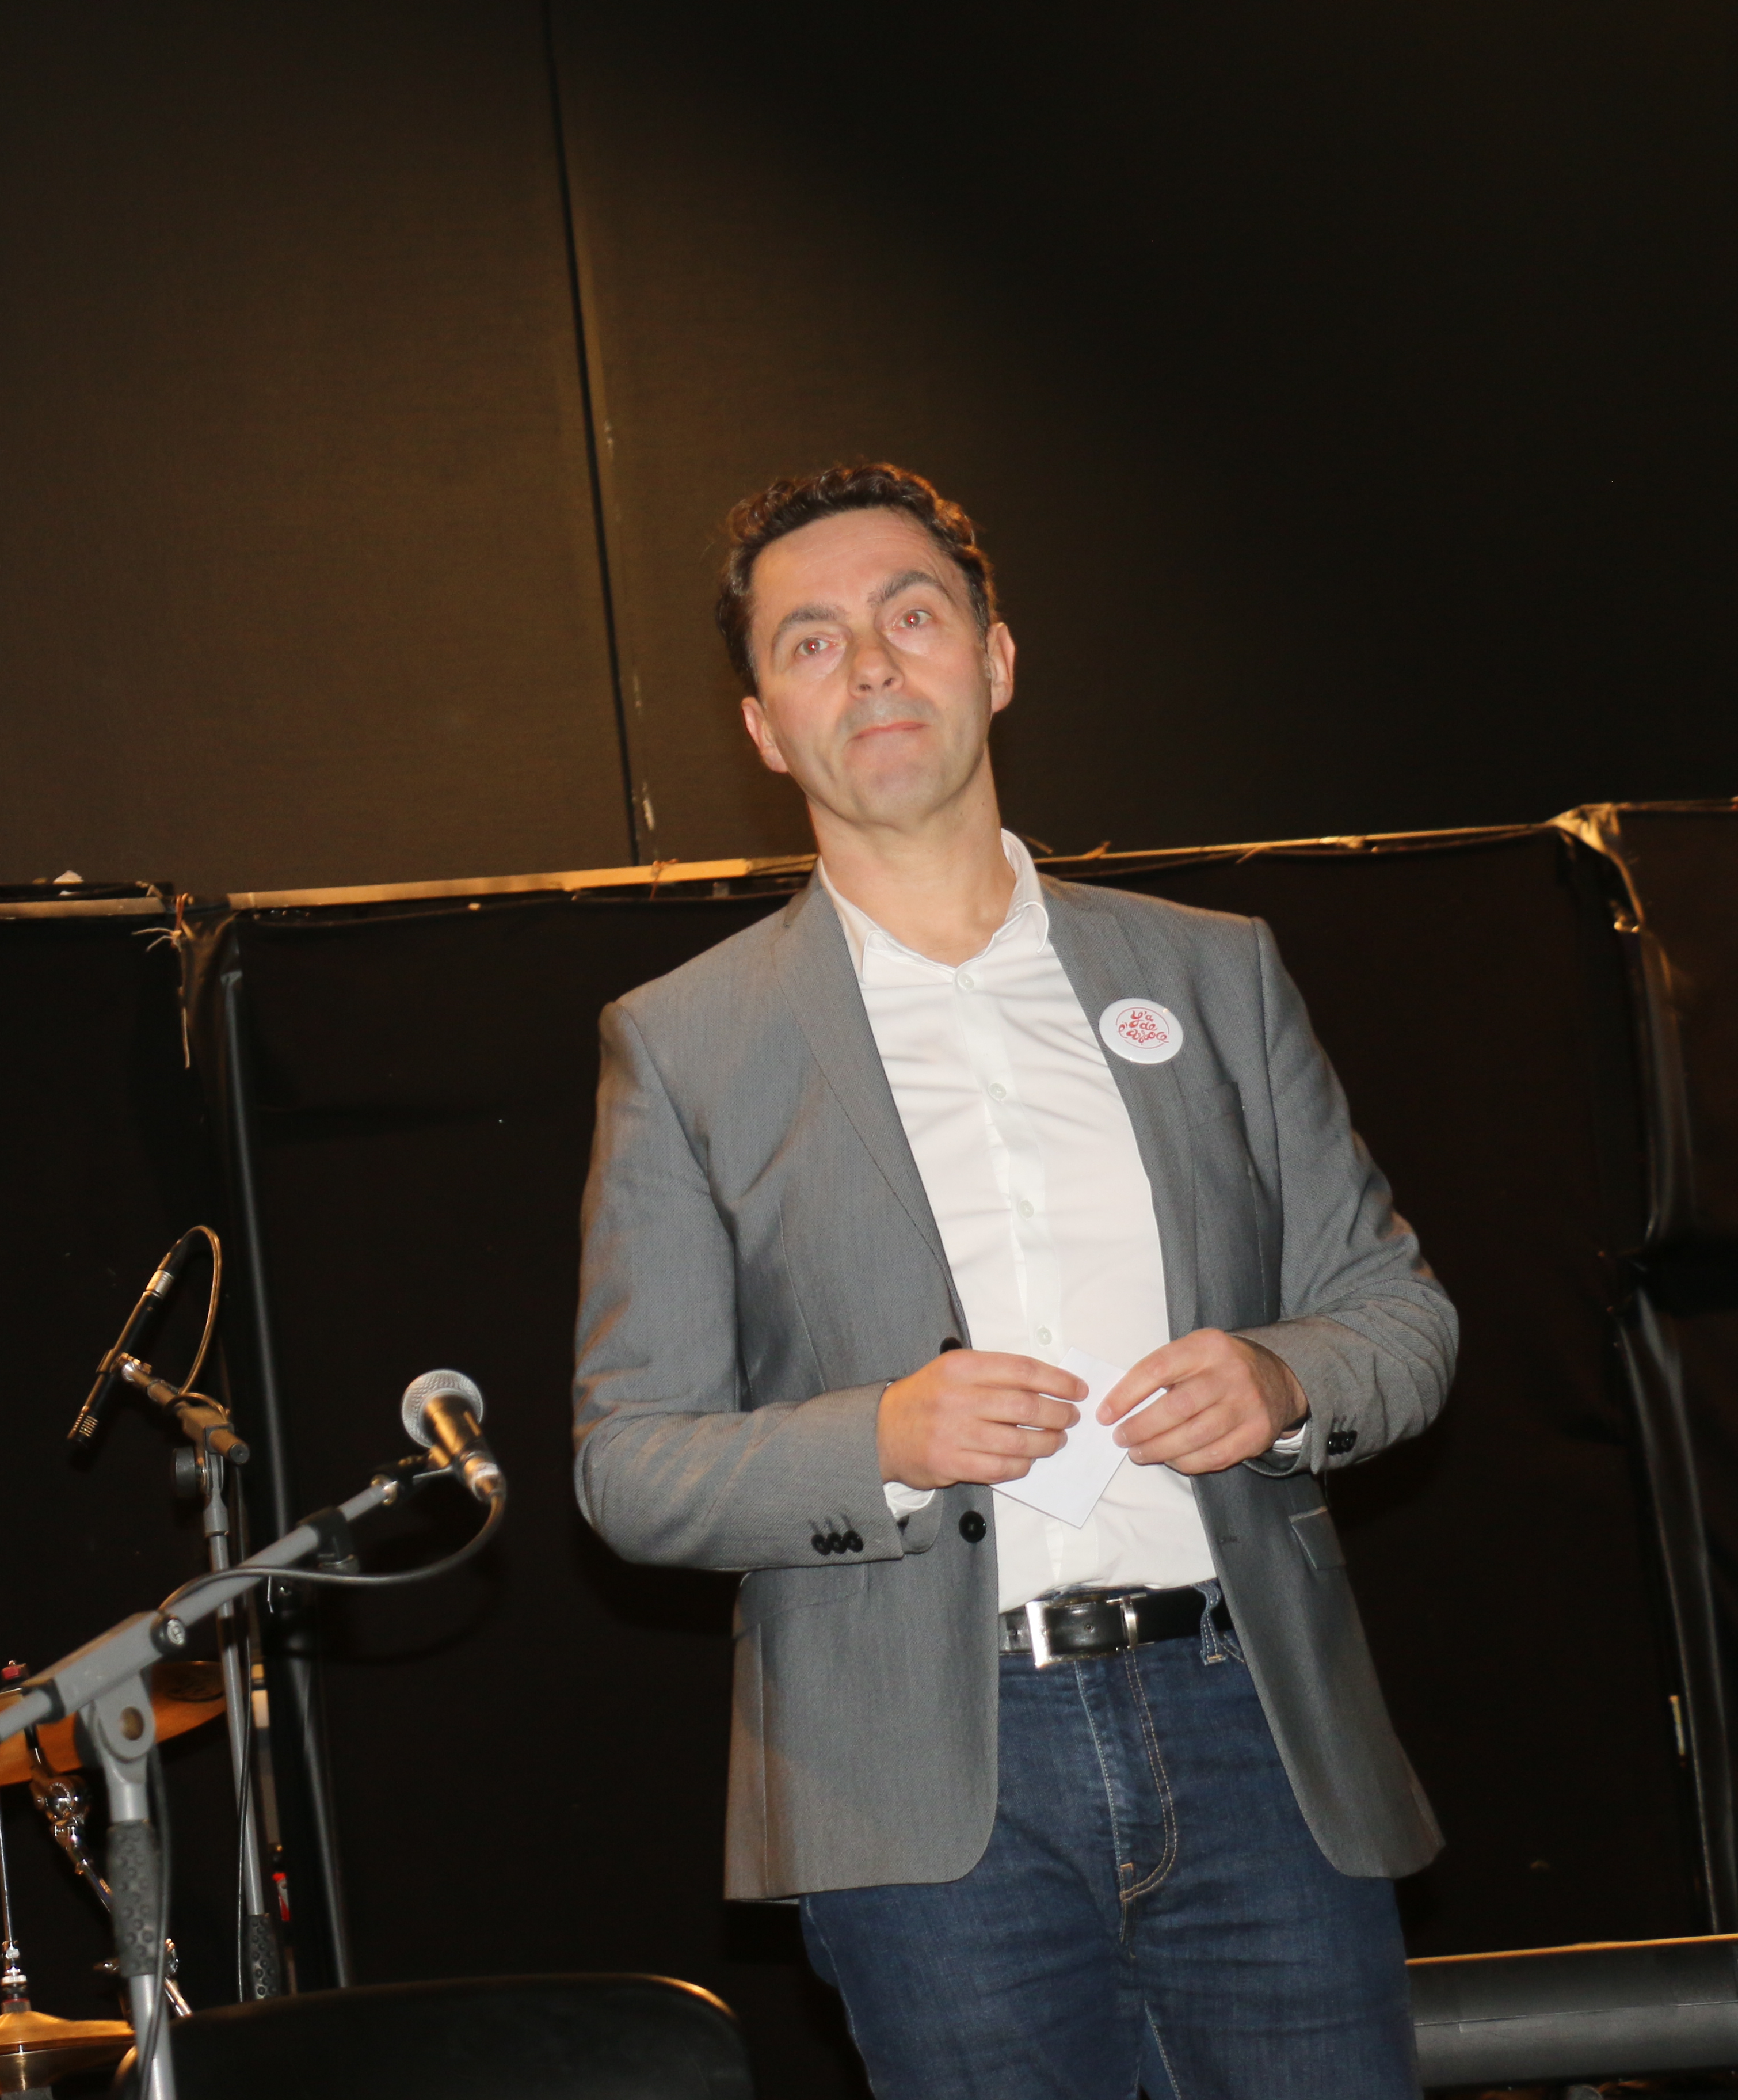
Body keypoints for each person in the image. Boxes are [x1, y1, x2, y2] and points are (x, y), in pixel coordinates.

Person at [571, 463, 1452, 2096]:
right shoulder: (686, 1043)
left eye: (911, 617)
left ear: (995, 660)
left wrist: (1283, 1382)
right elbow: (630, 1465)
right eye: (813, 642)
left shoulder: (1212, 972)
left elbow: (1399, 1317)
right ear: (763, 727)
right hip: (916, 1786)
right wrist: (881, 1439)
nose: (872, 665)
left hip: (1256, 1726)